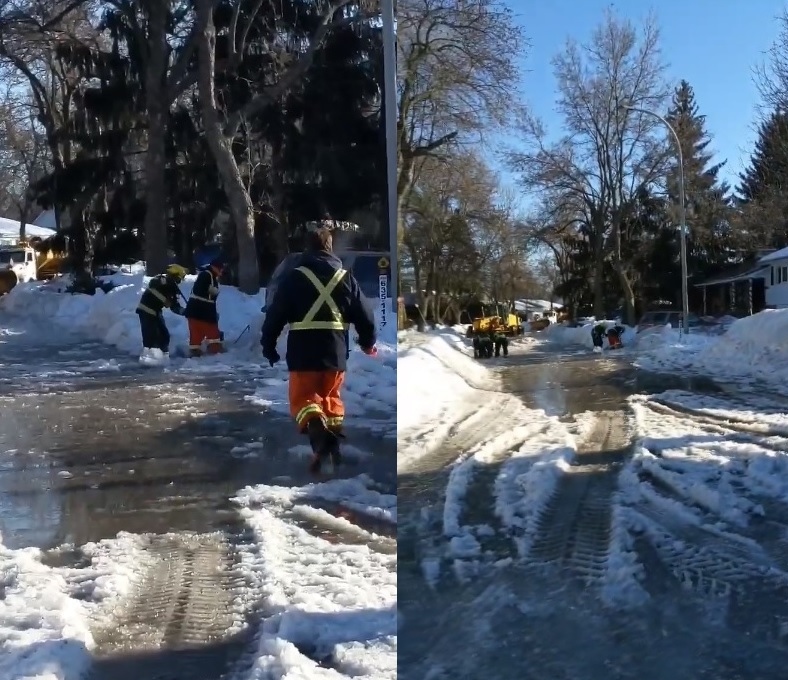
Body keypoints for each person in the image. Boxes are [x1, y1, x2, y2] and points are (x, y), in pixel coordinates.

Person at [260, 228, 377, 474]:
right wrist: (367, 342)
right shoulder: (346, 278)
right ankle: (332, 453)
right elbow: (366, 316)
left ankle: (321, 442)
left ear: (307, 249)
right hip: (335, 353)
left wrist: (268, 345)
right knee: (331, 401)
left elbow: (275, 315)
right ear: (330, 248)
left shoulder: (294, 278)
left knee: (304, 400)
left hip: (303, 352)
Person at [136, 264, 187, 357]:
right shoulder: (160, 280)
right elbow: (153, 284)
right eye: (179, 279)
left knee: (164, 335)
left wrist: (185, 312)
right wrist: (165, 294)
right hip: (146, 310)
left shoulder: (173, 289)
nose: (179, 282)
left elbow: (174, 306)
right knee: (151, 335)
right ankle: (149, 355)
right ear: (174, 275)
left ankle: (162, 355)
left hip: (156, 312)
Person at [184, 257, 225, 357]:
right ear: (215, 267)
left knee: (196, 334)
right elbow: (207, 293)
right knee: (212, 333)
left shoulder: (206, 275)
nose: (222, 271)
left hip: (193, 311)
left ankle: (195, 352)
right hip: (203, 312)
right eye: (221, 268)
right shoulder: (208, 275)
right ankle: (216, 353)